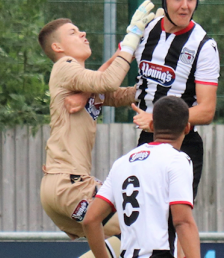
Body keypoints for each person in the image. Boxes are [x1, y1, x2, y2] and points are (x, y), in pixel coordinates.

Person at [37, 0, 157, 258]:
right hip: (70, 184)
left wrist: (165, 85)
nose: (82, 34)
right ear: (57, 47)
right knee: (146, 223)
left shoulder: (80, 83)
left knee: (128, 234)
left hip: (59, 186)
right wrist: (132, 37)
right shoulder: (64, 67)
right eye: (72, 32)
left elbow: (123, 94)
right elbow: (108, 80)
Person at [129, 0, 219, 200]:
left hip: (184, 143)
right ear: (165, 0)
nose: (185, 6)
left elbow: (207, 111)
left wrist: (157, 119)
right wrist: (85, 93)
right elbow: (111, 73)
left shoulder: (204, 45)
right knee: (140, 220)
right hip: (147, 141)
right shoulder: (146, 29)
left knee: (174, 221)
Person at [82, 96, 201, 258]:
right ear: (187, 128)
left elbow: (90, 220)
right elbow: (182, 221)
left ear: (151, 126)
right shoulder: (177, 160)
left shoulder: (122, 163)